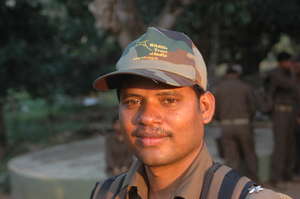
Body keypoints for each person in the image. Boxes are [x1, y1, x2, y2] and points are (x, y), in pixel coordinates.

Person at [90, 27, 292, 199]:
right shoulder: (105, 193)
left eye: (169, 100)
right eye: (133, 101)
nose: (147, 117)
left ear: (205, 107)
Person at [213, 65, 258, 181]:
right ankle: (254, 182)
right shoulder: (245, 87)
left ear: (226, 75)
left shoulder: (219, 88)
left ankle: (233, 184)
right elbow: (253, 107)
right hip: (243, 124)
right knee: (249, 155)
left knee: (231, 158)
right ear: (237, 74)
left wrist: (221, 118)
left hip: (226, 125)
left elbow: (215, 109)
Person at [266, 52, 298, 186]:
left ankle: (288, 174)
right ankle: (276, 177)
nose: (290, 64)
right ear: (281, 62)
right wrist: (294, 73)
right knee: (280, 145)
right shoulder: (276, 73)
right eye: (288, 62)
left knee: (290, 145)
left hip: (291, 112)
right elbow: (290, 86)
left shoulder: (290, 73)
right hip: (280, 111)